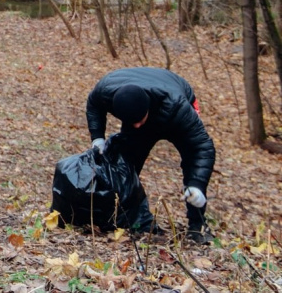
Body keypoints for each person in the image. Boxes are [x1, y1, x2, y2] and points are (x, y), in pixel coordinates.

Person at [86, 67, 216, 244]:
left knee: (191, 163)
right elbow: (93, 105)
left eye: (140, 120)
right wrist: (97, 137)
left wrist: (197, 184)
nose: (137, 126)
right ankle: (124, 214)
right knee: (127, 160)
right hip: (139, 95)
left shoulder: (179, 108)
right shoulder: (106, 91)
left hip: (174, 104)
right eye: (132, 122)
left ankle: (197, 224)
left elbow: (202, 147)